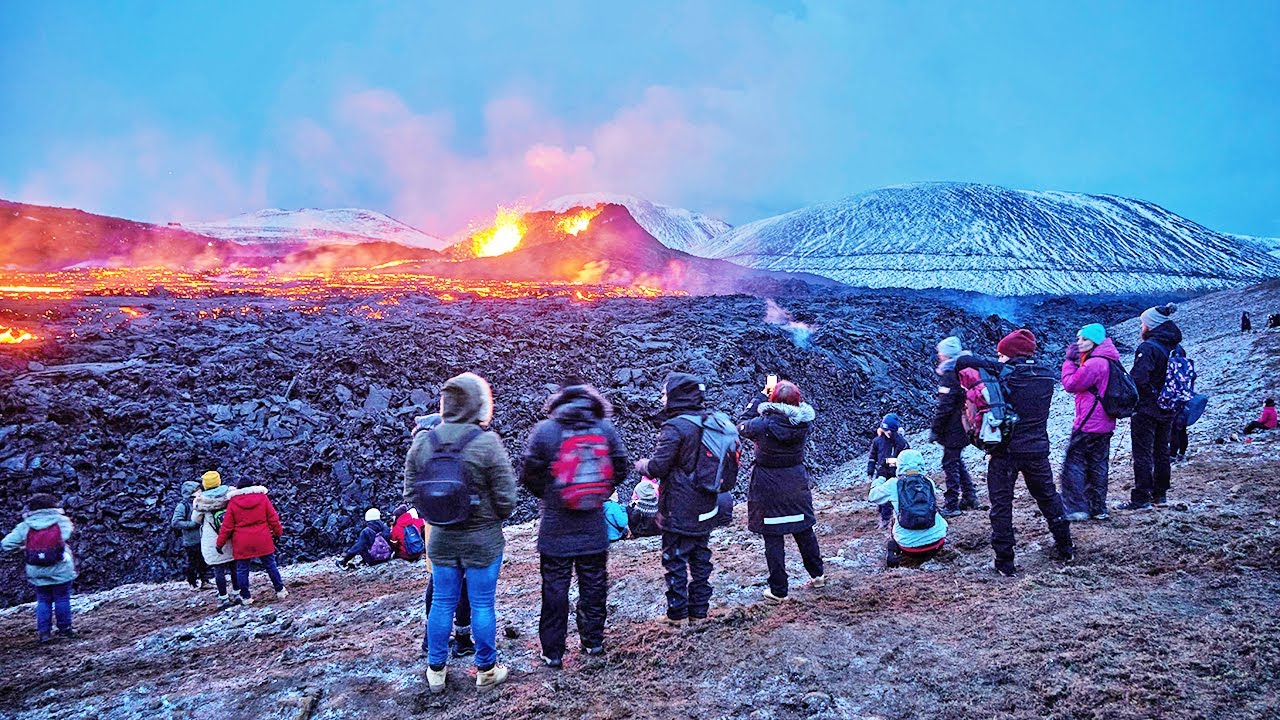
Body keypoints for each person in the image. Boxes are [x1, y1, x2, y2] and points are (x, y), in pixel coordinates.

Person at [403, 372, 517, 693]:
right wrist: (485, 516)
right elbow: (507, 500)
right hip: (482, 541)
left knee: (441, 601)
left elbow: (411, 493)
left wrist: (440, 517)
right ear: (480, 403)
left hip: (440, 540)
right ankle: (486, 670)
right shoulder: (487, 443)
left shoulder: (424, 440)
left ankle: (436, 671)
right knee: (482, 604)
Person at [520, 379, 629, 668]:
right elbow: (621, 467)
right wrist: (599, 494)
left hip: (555, 526)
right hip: (593, 524)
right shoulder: (604, 428)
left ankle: (553, 653)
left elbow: (528, 475)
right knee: (594, 584)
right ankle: (592, 642)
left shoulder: (545, 431)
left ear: (559, 400)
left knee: (555, 589)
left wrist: (552, 496)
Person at [957, 329, 1073, 576]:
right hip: (1038, 449)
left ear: (1009, 354)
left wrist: (989, 361)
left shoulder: (1007, 374)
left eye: (1001, 354)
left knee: (1001, 506)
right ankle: (1066, 546)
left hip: (1005, 452)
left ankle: (1005, 563)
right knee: (1049, 498)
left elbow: (964, 362)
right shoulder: (1045, 375)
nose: (998, 359)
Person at [634, 373, 729, 627]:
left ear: (676, 396)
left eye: (665, 393)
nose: (662, 398)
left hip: (679, 507)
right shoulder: (708, 421)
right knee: (700, 557)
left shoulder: (675, 427)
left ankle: (677, 615)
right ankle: (699, 612)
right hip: (707, 504)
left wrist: (641, 465)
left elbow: (657, 467)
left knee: (675, 559)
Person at [739, 380, 825, 602]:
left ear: (773, 400)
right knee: (804, 530)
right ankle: (818, 575)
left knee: (773, 536)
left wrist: (760, 398)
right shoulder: (804, 423)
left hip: (767, 485)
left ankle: (779, 590)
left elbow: (741, 424)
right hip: (795, 482)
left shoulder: (761, 425)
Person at [405, 413, 475, 663]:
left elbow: (412, 496)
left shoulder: (418, 455)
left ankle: (431, 639)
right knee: (463, 585)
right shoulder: (447, 454)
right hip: (456, 529)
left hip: (433, 531)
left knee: (437, 584)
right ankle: (464, 640)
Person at [1121, 304, 1185, 510]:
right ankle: (1160, 495)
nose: (1141, 327)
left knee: (1142, 453)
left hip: (1147, 409)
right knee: (1162, 451)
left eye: (1143, 323)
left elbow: (1139, 378)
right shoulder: (1176, 347)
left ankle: (1141, 498)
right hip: (1169, 407)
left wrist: (1141, 400)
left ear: (1151, 325)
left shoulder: (1148, 348)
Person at [1059, 323, 1121, 521]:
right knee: (1097, 464)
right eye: (1078, 339)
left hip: (1089, 422)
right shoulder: (1109, 359)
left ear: (1095, 341)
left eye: (1084, 339)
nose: (1079, 343)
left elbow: (1071, 384)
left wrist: (1070, 361)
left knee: (1074, 463)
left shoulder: (1095, 363)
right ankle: (1098, 508)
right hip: (1104, 422)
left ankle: (1076, 507)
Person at [2, 494, 77, 643]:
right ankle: (65, 630)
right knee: (62, 599)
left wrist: (25, 547)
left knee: (43, 600)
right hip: (60, 566)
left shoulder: (26, 525)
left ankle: (44, 634)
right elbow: (67, 534)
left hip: (37, 569)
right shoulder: (61, 521)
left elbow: (6, 544)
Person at [867, 450, 948, 568]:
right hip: (936, 543)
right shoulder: (929, 482)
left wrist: (881, 476)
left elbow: (872, 496)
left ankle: (893, 551)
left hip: (909, 548)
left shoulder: (894, 484)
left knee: (895, 517)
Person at [215, 483, 287, 606]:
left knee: (242, 570)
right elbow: (273, 518)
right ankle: (280, 590)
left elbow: (227, 526)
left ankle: (246, 597)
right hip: (262, 538)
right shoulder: (262, 497)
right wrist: (278, 533)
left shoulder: (233, 502)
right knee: (270, 565)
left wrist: (219, 543)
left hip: (242, 541)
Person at [931, 336, 979, 516]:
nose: (938, 355)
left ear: (946, 354)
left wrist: (936, 429)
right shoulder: (965, 370)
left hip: (954, 428)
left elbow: (945, 406)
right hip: (965, 425)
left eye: (940, 352)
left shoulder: (951, 374)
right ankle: (970, 496)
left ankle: (952, 504)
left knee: (950, 463)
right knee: (956, 461)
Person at [192, 471, 241, 609]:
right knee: (234, 567)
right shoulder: (230, 495)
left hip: (213, 538)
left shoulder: (201, 501)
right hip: (231, 536)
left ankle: (223, 598)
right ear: (218, 481)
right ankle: (237, 593)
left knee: (218, 569)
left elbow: (195, 520)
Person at [866, 413, 909, 527]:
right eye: (886, 430)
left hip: (894, 474)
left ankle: (892, 518)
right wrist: (870, 469)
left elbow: (903, 459)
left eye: (890, 430)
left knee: (893, 497)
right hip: (881, 473)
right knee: (881, 497)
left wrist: (887, 463)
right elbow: (872, 456)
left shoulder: (901, 443)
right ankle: (884, 519)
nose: (888, 433)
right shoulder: (878, 441)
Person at [171, 480, 210, 589]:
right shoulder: (183, 506)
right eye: (197, 490)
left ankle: (204, 580)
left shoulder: (199, 502)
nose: (200, 491)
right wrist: (192, 524)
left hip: (202, 538)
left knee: (203, 561)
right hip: (191, 540)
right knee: (193, 562)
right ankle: (192, 582)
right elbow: (175, 522)